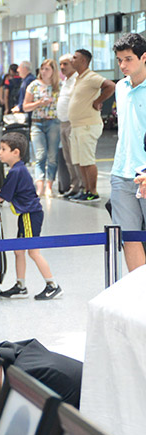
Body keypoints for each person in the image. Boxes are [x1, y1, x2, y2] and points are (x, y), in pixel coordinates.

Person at [0, 132, 62, 300]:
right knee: (18, 251)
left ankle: (52, 285)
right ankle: (20, 285)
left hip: (30, 215)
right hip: (26, 215)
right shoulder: (17, 170)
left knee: (33, 252)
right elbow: (3, 192)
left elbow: (3, 195)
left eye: (3, 149)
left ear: (15, 152)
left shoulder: (16, 172)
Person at [109, 33, 146, 272]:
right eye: (119, 59)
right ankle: (139, 295)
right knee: (128, 238)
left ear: (144, 57)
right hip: (121, 173)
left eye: (128, 59)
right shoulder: (120, 88)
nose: (123, 65)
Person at [68, 48, 115, 202]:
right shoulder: (79, 78)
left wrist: (98, 101)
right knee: (80, 161)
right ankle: (86, 189)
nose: (71, 60)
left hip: (87, 125)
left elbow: (110, 86)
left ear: (83, 61)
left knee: (87, 160)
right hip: (77, 126)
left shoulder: (91, 77)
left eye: (75, 57)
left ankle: (93, 192)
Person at [22, 59, 61, 197]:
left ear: (53, 71)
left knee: (52, 155)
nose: (43, 72)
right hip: (37, 122)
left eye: (47, 69)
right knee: (40, 154)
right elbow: (25, 106)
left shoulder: (59, 86)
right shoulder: (34, 85)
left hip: (54, 122)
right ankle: (39, 186)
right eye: (42, 68)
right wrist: (39, 103)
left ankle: (49, 185)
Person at [57, 54, 83, 199]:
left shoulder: (77, 80)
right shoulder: (65, 81)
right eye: (61, 64)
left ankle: (82, 186)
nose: (62, 67)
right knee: (68, 157)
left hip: (73, 123)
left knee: (76, 157)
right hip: (63, 123)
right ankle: (74, 185)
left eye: (66, 64)